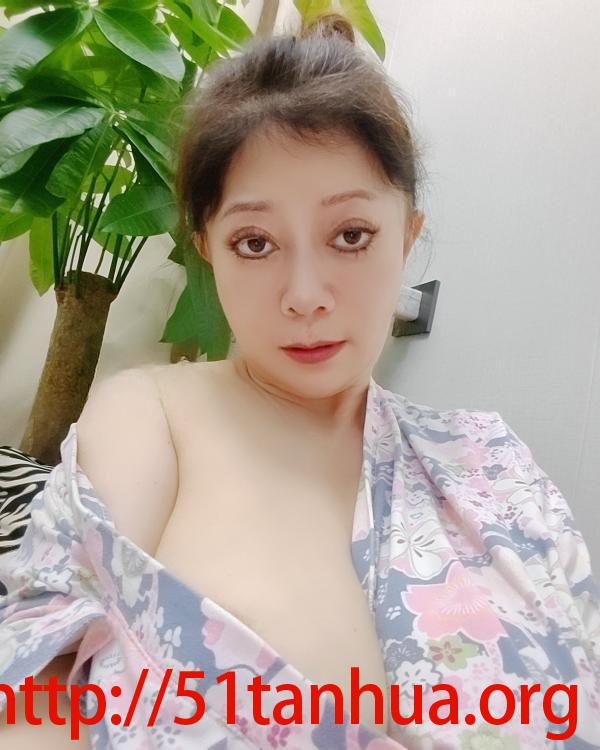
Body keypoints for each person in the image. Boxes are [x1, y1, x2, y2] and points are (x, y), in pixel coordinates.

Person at [1, 11, 600, 750]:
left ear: (407, 235)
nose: (306, 296)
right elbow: (41, 679)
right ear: (207, 250)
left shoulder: (489, 462)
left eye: (351, 235)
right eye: (255, 243)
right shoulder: (155, 415)